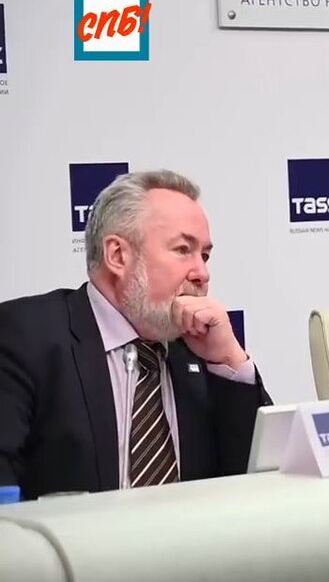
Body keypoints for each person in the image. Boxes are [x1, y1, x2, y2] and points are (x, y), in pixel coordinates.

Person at [0, 170, 271, 499]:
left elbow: (262, 481)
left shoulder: (202, 351)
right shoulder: (23, 336)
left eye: (204, 255)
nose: (202, 273)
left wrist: (229, 361)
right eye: (183, 249)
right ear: (118, 255)